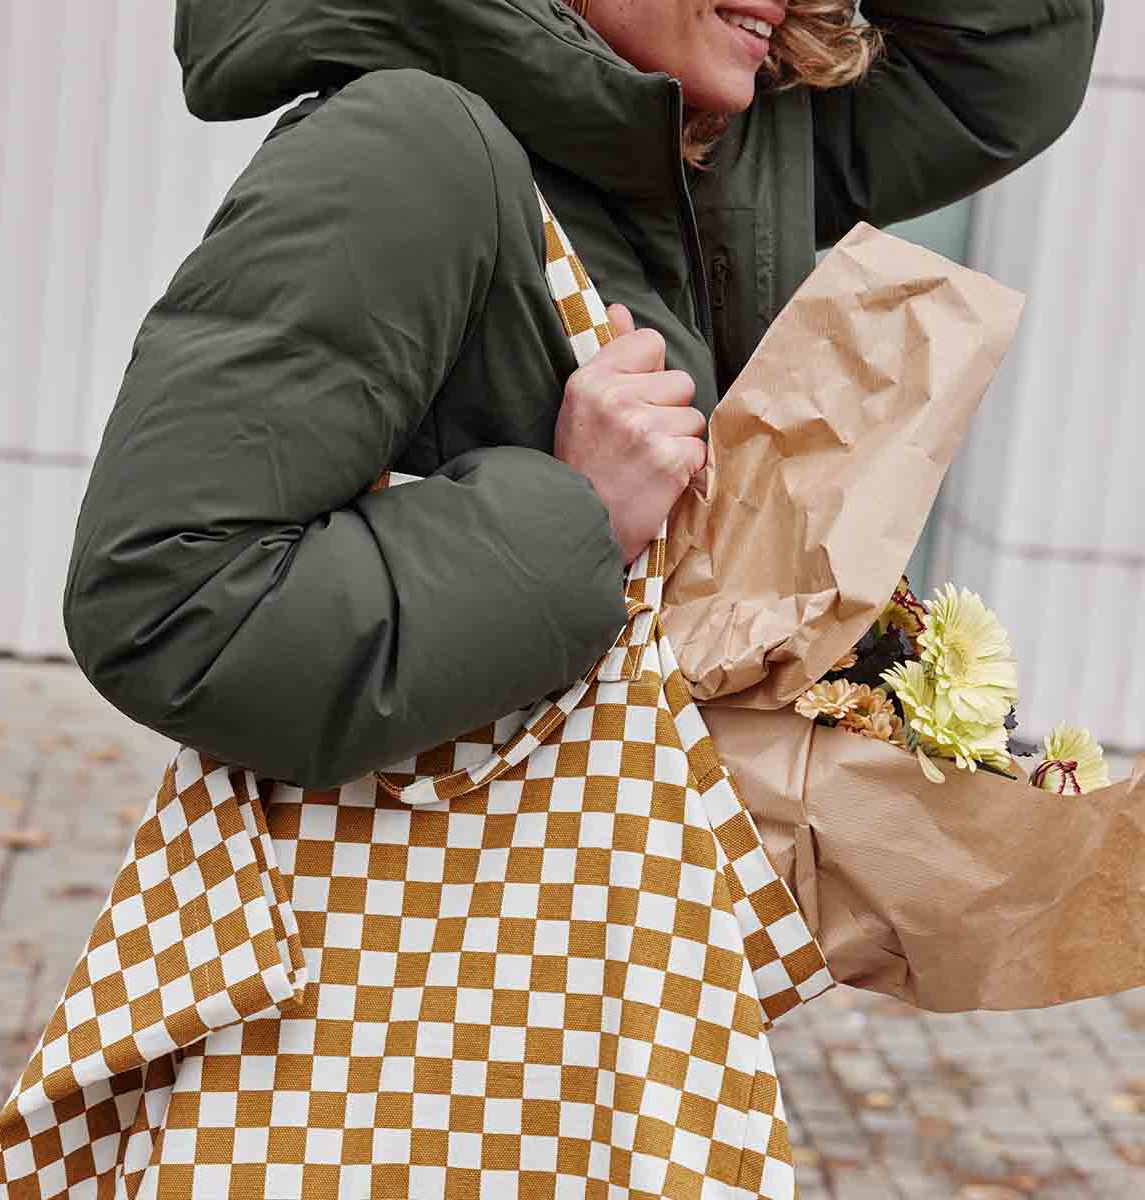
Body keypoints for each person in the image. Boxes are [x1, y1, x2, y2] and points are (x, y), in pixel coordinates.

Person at [64, 0, 1102, 789]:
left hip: (587, 974)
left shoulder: (715, 154)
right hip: (425, 998)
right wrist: (577, 516)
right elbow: (172, 607)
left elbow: (1003, 63)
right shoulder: (404, 146)